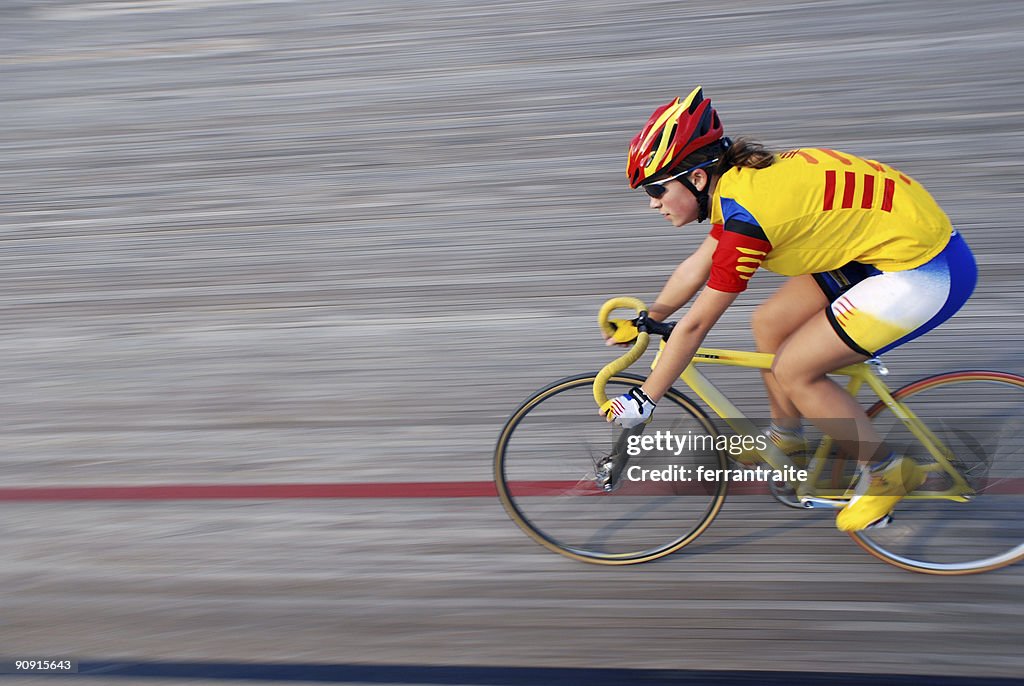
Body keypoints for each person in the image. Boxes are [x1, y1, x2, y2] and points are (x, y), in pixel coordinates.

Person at [601, 86, 977, 531]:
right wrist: (652, 318)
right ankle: (789, 439)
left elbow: (699, 323)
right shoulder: (739, 181)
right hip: (882, 247)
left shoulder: (748, 220)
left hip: (923, 271)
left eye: (657, 189)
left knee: (794, 370)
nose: (652, 203)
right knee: (769, 322)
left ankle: (886, 472)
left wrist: (645, 397)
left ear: (697, 179)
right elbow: (697, 266)